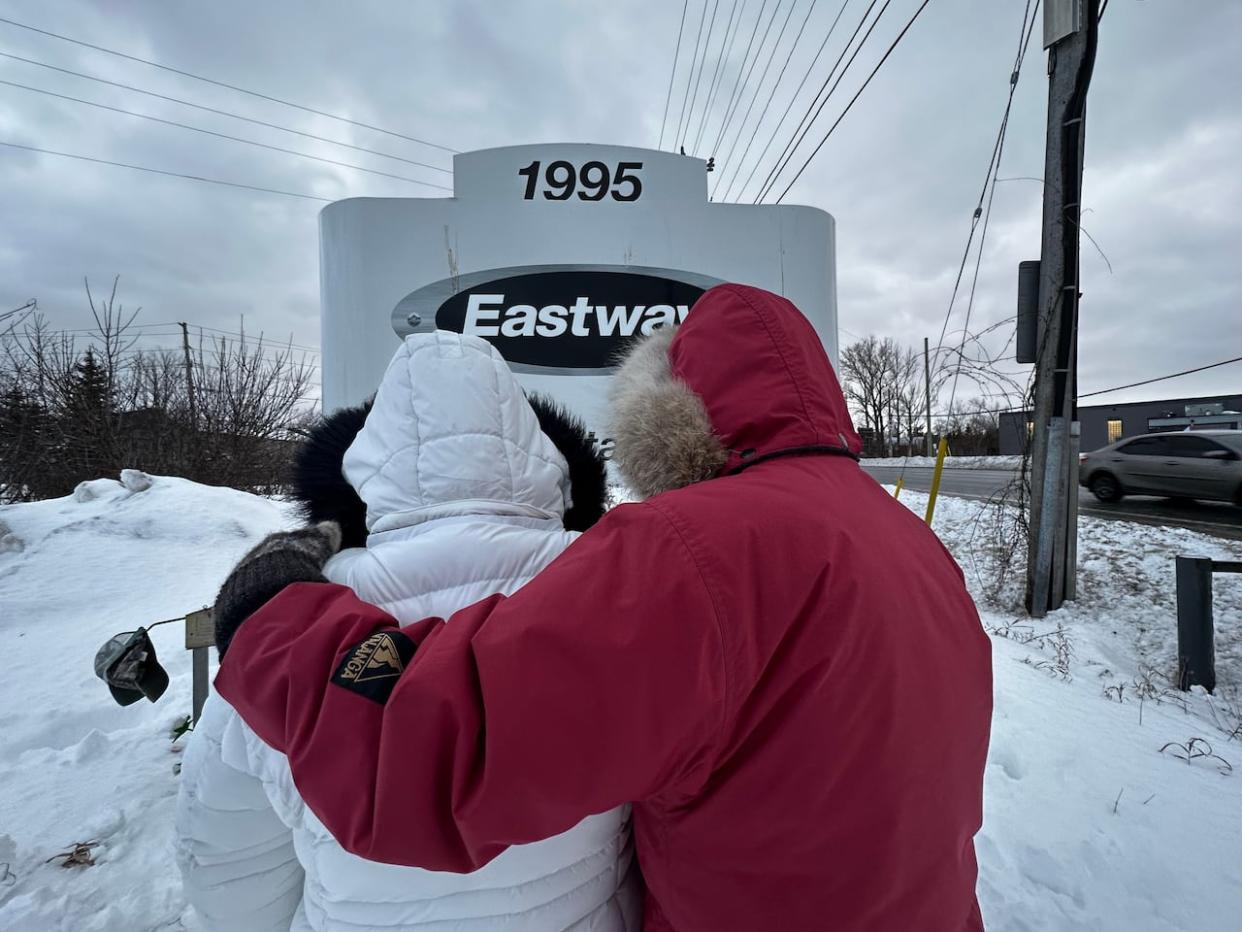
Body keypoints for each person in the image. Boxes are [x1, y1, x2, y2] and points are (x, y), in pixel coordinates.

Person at [212, 284, 994, 931]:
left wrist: (271, 618)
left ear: (672, 408)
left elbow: (437, 759)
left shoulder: (696, 547)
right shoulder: (911, 541)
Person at [175, 331, 640, 931]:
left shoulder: (289, 621)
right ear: (550, 460)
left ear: (363, 467)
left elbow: (225, 858)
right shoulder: (617, 588)